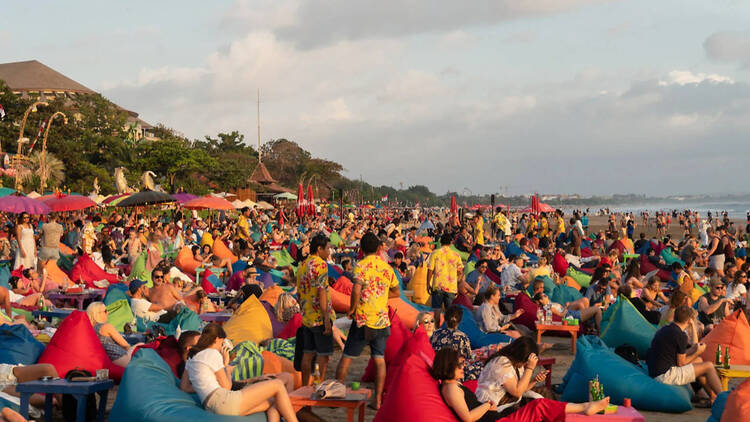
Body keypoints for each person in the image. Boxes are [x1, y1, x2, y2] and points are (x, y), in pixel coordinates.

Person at [180, 323, 298, 420]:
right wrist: (227, 367)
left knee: (274, 402)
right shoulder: (212, 353)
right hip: (224, 401)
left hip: (210, 405)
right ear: (216, 339)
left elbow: (184, 387)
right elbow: (226, 386)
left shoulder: (191, 358)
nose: (221, 347)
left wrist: (204, 386)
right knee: (277, 384)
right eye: (222, 343)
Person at [336, 232, 400, 409]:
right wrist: (381, 296)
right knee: (379, 359)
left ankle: (336, 394)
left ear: (361, 249)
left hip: (363, 318)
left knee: (347, 356)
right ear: (379, 248)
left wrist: (351, 308)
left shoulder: (361, 266)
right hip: (381, 319)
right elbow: (396, 292)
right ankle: (378, 400)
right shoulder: (387, 268)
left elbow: (356, 289)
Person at [471, 338, 609, 420]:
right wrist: (530, 369)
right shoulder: (501, 363)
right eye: (527, 362)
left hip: (507, 404)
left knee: (544, 392)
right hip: (492, 411)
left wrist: (534, 380)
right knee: (539, 404)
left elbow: (521, 389)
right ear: (522, 356)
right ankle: (585, 407)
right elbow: (517, 392)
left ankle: (578, 411)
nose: (526, 365)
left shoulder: (515, 363)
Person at [647, 305, 723, 403]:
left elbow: (675, 355)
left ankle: (713, 397)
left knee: (699, 361)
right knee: (708, 366)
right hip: (664, 375)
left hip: (657, 370)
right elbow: (681, 363)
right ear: (689, 321)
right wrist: (697, 352)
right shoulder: (680, 335)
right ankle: (723, 398)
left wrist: (693, 349)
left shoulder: (666, 329)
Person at [296, 233, 334, 387]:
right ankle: (319, 385)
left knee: (308, 353)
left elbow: (300, 291)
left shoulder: (302, 265)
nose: (329, 252)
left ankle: (305, 387)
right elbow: (322, 292)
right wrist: (326, 319)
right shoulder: (320, 264)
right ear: (319, 249)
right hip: (319, 316)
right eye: (327, 249)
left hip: (307, 315)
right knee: (323, 356)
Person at [431, 305, 486, 382]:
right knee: (481, 366)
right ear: (459, 321)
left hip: (439, 368)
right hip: (454, 371)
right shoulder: (462, 337)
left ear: (445, 319)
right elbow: (468, 357)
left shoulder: (435, 334)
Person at [427, 232, 464, 327]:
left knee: (437, 311)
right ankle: (450, 330)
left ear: (441, 242)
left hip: (438, 285)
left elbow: (430, 270)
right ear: (451, 243)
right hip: (451, 286)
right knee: (450, 312)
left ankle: (437, 329)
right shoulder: (456, 255)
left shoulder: (435, 253)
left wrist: (428, 284)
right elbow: (460, 271)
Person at [86, 302, 139, 366]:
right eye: (105, 311)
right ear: (97, 313)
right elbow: (126, 346)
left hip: (108, 360)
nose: (108, 313)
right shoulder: (106, 327)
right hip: (120, 359)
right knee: (141, 345)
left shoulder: (89, 328)